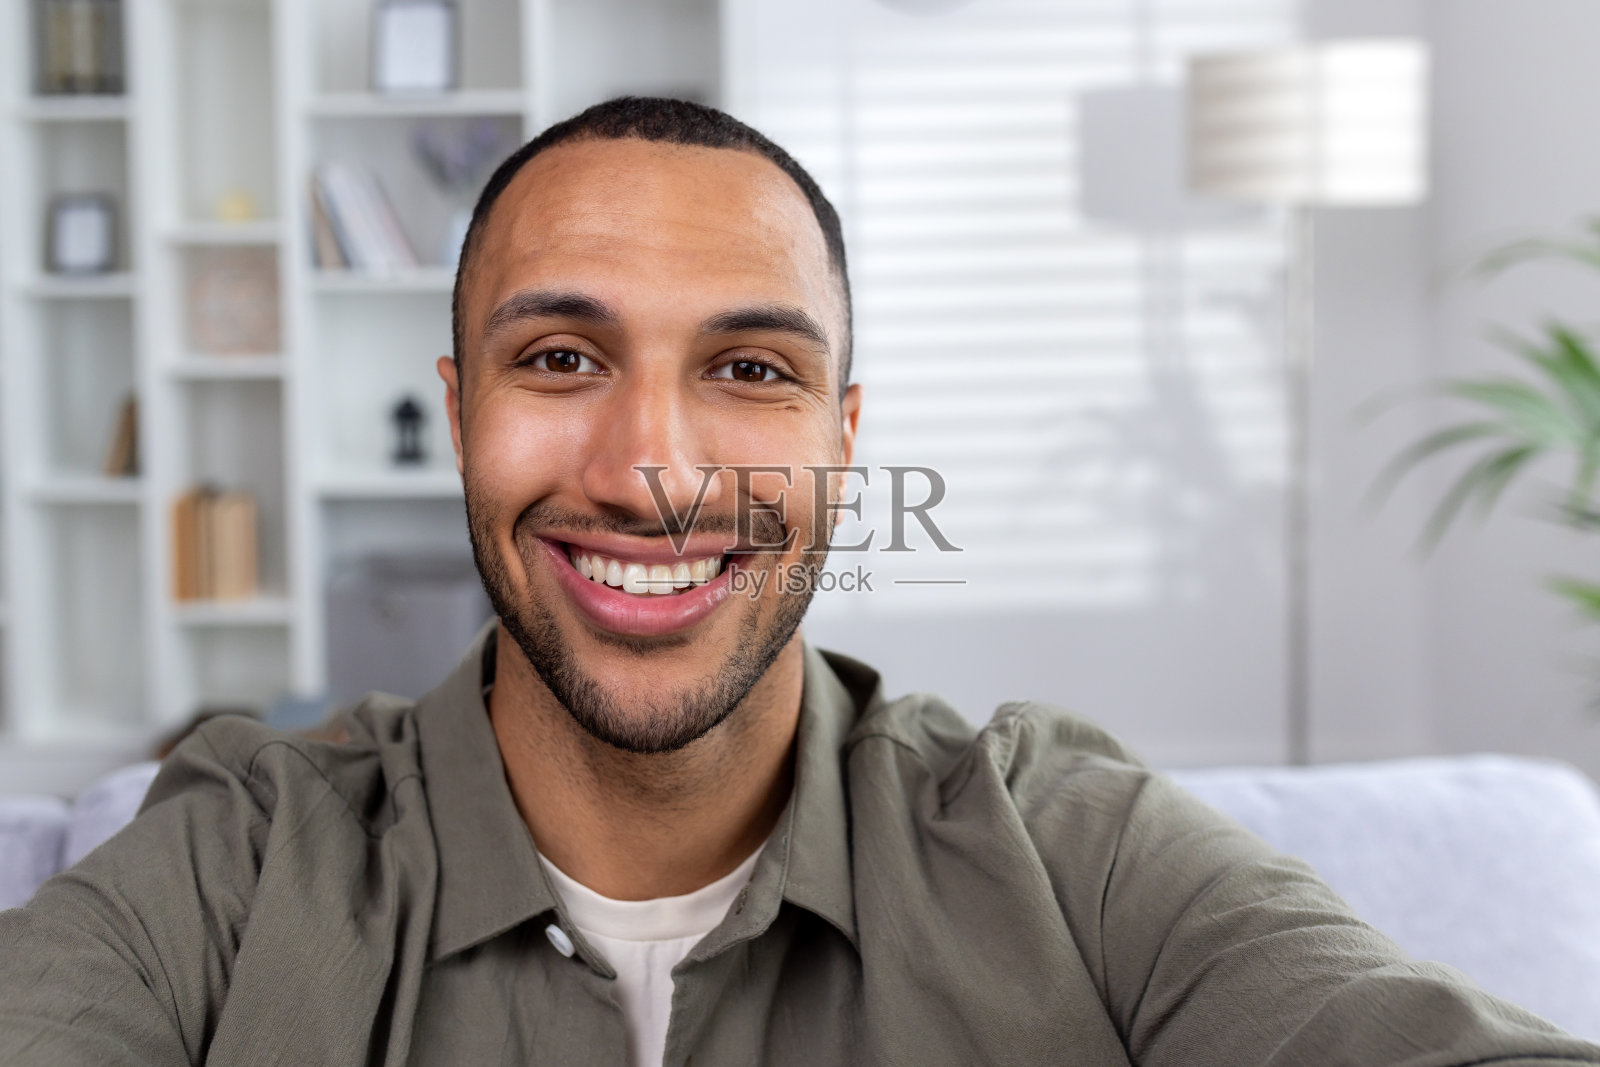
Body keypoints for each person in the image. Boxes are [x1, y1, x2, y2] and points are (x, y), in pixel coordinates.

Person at [1, 96, 1597, 1067]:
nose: (655, 470)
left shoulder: (1073, 854)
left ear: (841, 441)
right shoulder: (231, 862)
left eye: (748, 370)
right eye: (561, 357)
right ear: (463, 408)